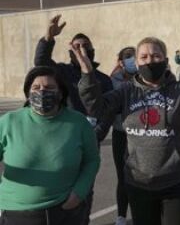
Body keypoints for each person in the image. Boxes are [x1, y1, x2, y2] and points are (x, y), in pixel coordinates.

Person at [74, 37, 180, 225]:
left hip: (176, 183)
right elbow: (97, 107)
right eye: (144, 57)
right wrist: (87, 74)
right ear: (136, 63)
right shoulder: (126, 91)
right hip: (139, 183)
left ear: (166, 61)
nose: (150, 61)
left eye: (156, 56)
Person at [34, 14, 113, 225]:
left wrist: (91, 137)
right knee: (59, 194)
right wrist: (47, 39)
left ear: (92, 50)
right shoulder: (63, 72)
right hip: (60, 145)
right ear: (70, 51)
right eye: (76, 46)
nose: (81, 50)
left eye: (85, 46)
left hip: (87, 147)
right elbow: (41, 63)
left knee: (84, 194)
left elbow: (106, 114)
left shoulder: (103, 80)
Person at [0, 66, 100, 225]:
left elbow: (92, 160)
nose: (41, 92)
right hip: (17, 214)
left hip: (65, 211)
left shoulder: (78, 122)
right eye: (36, 87)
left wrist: (79, 192)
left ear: (60, 93)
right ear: (28, 92)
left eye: (49, 87)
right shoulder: (9, 122)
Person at [110, 46, 136, 225]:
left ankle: (141, 210)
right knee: (123, 176)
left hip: (140, 134)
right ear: (121, 62)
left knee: (141, 176)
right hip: (121, 133)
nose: (133, 62)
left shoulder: (145, 78)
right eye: (129, 59)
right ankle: (121, 215)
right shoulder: (114, 80)